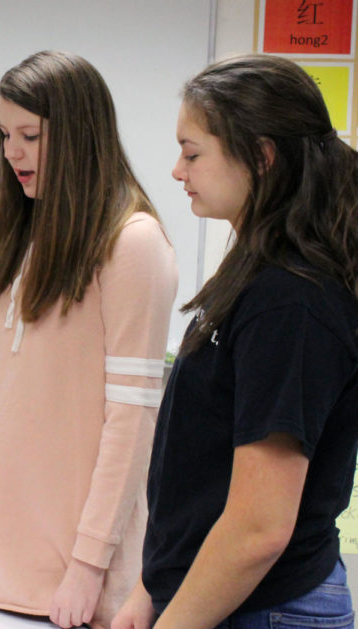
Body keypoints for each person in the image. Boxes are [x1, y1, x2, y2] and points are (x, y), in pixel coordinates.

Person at [0, 50, 178, 628]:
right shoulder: (21, 230)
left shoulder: (133, 242)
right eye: (5, 134)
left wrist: (88, 565)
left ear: (81, 134)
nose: (12, 152)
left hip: (78, 580)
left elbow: (133, 420)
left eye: (30, 135)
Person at [112, 54, 358, 629]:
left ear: (262, 157)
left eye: (192, 153)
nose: (177, 171)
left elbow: (258, 528)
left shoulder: (293, 301)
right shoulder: (255, 271)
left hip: (265, 608)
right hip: (215, 597)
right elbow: (202, 472)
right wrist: (151, 591)